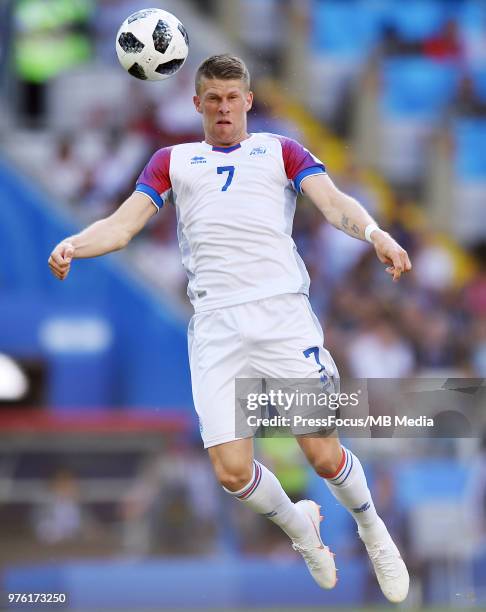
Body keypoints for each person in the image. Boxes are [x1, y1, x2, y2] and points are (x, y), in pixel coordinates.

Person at [48, 54, 411, 603]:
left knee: (321, 454)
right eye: (212, 99)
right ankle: (301, 531)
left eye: (231, 98)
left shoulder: (280, 151)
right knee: (232, 472)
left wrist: (375, 233)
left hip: (281, 315)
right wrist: (75, 242)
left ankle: (372, 529)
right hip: (216, 325)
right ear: (197, 104)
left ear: (248, 102)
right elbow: (123, 226)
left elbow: (332, 202)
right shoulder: (172, 161)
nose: (222, 108)